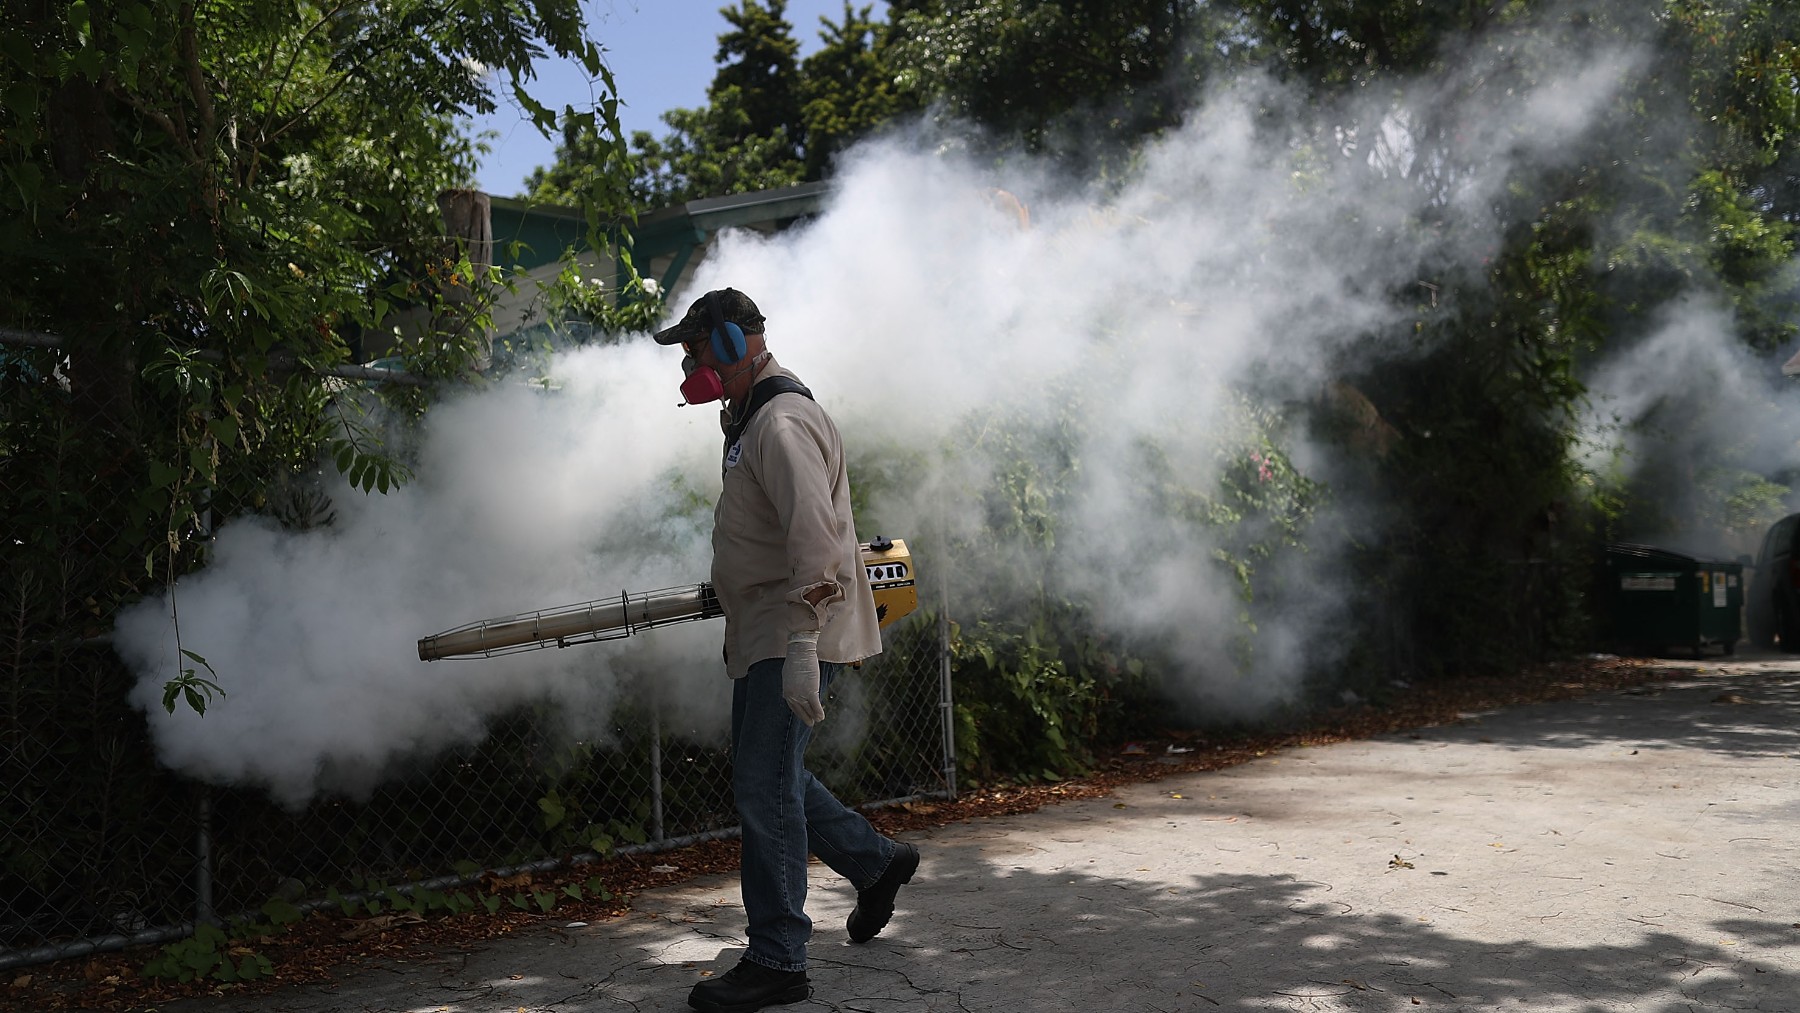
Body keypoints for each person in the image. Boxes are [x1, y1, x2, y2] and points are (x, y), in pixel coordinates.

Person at [655, 288, 922, 1013]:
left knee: (762, 786)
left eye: (697, 349)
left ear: (735, 348)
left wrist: (804, 640)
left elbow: (818, 541)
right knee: (775, 777)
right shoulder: (751, 418)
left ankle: (778, 956)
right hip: (769, 627)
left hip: (792, 629)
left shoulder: (780, 421)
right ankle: (878, 862)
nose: (689, 364)